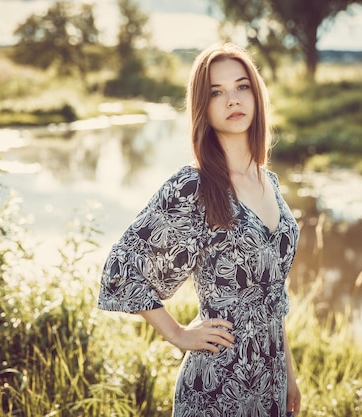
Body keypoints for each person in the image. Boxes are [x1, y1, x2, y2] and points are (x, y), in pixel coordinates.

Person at [97, 42, 301, 416]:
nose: (232, 100)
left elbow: (273, 294)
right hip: (217, 385)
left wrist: (289, 371)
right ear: (203, 108)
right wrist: (177, 334)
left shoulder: (269, 181)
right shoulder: (194, 186)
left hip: (270, 382)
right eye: (216, 93)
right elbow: (121, 269)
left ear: (256, 96)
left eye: (242, 87)